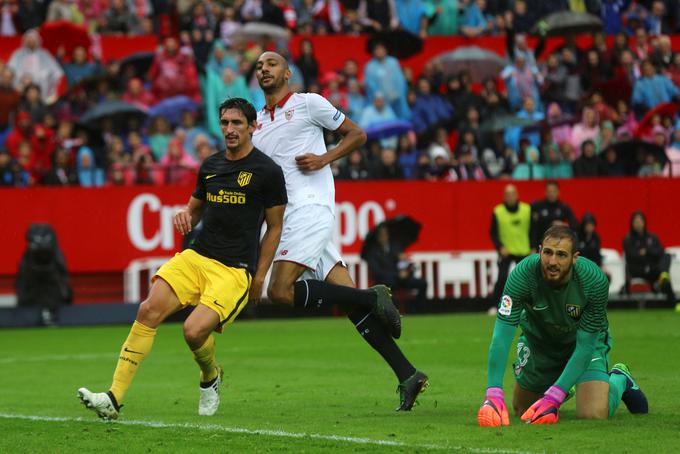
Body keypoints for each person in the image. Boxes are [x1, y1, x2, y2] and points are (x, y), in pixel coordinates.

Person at [77, 98, 288, 420]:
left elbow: (274, 228)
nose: (230, 130)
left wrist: (260, 277)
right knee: (148, 310)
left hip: (234, 270)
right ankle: (113, 398)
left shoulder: (268, 172)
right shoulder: (211, 166)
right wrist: (184, 214)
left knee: (192, 332)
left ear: (252, 127)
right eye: (225, 123)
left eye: (237, 123)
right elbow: (194, 207)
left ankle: (210, 376)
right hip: (197, 256)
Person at [252, 51, 428, 411]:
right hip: (287, 217)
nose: (264, 69)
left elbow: (357, 135)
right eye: (258, 66)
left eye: (271, 63)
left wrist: (324, 158)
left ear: (288, 73)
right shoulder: (258, 124)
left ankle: (371, 296)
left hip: (311, 208)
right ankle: (408, 374)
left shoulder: (308, 103)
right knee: (348, 303)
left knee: (281, 291)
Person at [477, 225, 649, 427]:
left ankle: (619, 379)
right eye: (547, 252)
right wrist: (494, 393)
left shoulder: (594, 281)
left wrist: (555, 397)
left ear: (574, 258)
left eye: (561, 255)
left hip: (582, 343)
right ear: (539, 251)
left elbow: (585, 346)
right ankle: (566, 384)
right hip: (540, 342)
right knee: (523, 411)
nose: (552, 261)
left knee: (593, 413)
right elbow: (502, 335)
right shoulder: (521, 275)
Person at [364, 224, 427, 312]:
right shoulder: (373, 252)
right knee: (390, 285)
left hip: (402, 279)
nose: (384, 237)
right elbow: (377, 272)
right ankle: (394, 312)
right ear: (377, 237)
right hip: (386, 281)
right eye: (381, 235)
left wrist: (406, 268)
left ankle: (417, 310)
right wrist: (397, 274)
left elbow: (405, 264)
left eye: (385, 234)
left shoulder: (395, 247)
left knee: (423, 283)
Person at [490, 184, 532, 308]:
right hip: (506, 251)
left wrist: (533, 246)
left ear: (517, 195)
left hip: (524, 250)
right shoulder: (498, 211)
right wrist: (500, 247)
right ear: (504, 197)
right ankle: (495, 305)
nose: (510, 197)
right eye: (507, 195)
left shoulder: (526, 209)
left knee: (528, 281)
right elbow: (493, 233)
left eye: (512, 194)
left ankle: (530, 305)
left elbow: (533, 230)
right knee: (502, 278)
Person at [623, 211, 676, 304]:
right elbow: (632, 256)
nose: (638, 224)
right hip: (637, 269)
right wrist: (650, 253)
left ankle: (672, 302)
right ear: (632, 223)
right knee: (658, 272)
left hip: (652, 267)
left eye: (640, 221)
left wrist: (646, 252)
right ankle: (659, 281)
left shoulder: (651, 237)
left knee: (666, 257)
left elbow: (660, 251)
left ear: (644, 222)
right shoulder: (628, 239)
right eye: (636, 222)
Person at [530, 180, 579, 250]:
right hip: (541, 244)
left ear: (558, 192)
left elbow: (575, 225)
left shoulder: (563, 207)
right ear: (545, 192)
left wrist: (563, 225)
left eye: (554, 191)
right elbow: (533, 229)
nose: (551, 194)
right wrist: (533, 247)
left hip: (559, 245)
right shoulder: (537, 206)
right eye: (549, 191)